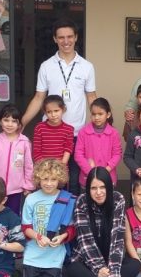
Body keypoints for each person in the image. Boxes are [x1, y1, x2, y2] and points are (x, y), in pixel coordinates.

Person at [22, 19, 97, 196]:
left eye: (70, 36)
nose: (66, 41)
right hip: (51, 133)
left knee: (74, 180)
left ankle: (71, 213)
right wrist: (22, 122)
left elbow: (91, 96)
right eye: (61, 37)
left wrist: (100, 121)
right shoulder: (46, 66)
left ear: (76, 37)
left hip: (77, 133)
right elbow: (39, 97)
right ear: (55, 39)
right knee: (49, 179)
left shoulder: (87, 67)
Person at [63, 167, 141, 277]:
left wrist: (114, 271)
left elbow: (117, 237)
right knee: (73, 269)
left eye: (102, 187)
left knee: (135, 265)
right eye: (93, 188)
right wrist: (98, 268)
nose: (99, 192)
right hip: (87, 260)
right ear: (88, 189)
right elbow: (85, 240)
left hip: (110, 259)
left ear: (109, 186)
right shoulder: (82, 201)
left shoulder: (118, 199)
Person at [22, 159, 76, 277]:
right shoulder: (31, 199)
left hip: (54, 254)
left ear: (60, 179)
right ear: (38, 178)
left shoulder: (67, 199)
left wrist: (63, 237)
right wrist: (38, 237)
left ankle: (55, 274)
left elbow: (72, 228)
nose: (49, 183)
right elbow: (26, 228)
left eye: (53, 179)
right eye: (45, 179)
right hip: (33, 254)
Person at [0, 104, 34, 216]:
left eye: (14, 121)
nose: (10, 124)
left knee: (12, 215)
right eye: (6, 120)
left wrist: (28, 185)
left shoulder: (24, 142)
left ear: (19, 124)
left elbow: (28, 165)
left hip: (16, 189)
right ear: (0, 121)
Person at [75, 98, 122, 189]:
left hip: (108, 177)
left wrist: (106, 170)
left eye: (100, 114)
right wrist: (90, 171)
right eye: (93, 114)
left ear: (108, 115)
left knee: (107, 198)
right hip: (87, 178)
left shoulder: (114, 133)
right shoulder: (83, 132)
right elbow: (78, 155)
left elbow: (117, 154)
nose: (96, 117)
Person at [32, 95, 75, 176]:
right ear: (45, 112)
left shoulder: (69, 129)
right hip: (43, 170)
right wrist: (45, 168)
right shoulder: (39, 128)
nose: (53, 114)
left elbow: (68, 150)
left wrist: (60, 167)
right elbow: (36, 151)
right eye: (49, 112)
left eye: (56, 111)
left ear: (63, 109)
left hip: (60, 170)